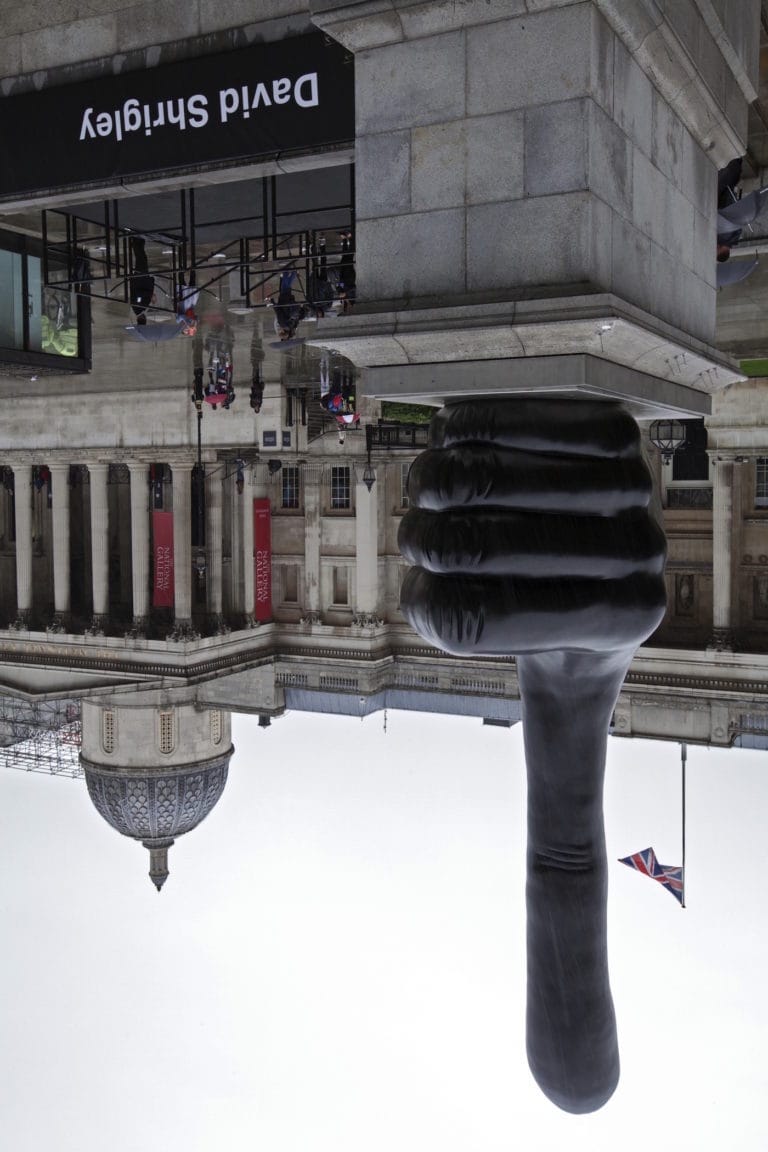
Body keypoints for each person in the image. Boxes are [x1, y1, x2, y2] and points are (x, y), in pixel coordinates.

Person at [398, 398, 666, 1114]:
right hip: (597, 603)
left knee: (456, 565)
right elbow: (560, 865)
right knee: (448, 579)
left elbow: (565, 863)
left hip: (622, 596)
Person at [272, 269, 306, 340]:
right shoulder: (283, 324)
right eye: (280, 332)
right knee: (285, 286)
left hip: (291, 304)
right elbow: (279, 312)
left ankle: (291, 272)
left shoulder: (293, 327)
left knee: (286, 287)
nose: (279, 330)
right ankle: (288, 270)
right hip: (284, 303)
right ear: (283, 331)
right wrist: (272, 302)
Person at [128, 236, 155, 325]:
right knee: (142, 259)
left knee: (141, 259)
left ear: (143, 319)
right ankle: (139, 242)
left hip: (140, 280)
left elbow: (139, 294)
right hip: (142, 280)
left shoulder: (138, 307)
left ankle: (136, 242)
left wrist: (150, 295)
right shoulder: (140, 309)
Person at [337, 232, 356, 314]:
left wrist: (339, 290)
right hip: (349, 277)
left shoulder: (342, 301)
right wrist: (346, 292)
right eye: (349, 309)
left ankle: (344, 240)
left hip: (342, 278)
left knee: (344, 257)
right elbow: (354, 288)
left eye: (346, 309)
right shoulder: (353, 300)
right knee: (349, 257)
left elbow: (339, 288)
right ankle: (351, 239)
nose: (348, 308)